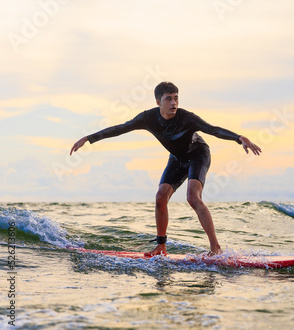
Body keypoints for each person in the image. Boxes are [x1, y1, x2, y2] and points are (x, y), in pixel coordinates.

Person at [70, 82, 261, 256]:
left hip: (198, 155)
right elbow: (120, 128)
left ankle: (215, 248)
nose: (174, 103)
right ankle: (161, 245)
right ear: (158, 101)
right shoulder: (148, 118)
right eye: (168, 98)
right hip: (177, 159)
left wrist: (239, 138)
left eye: (176, 98)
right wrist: (88, 138)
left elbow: (213, 129)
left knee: (193, 197)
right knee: (160, 197)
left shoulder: (187, 118)